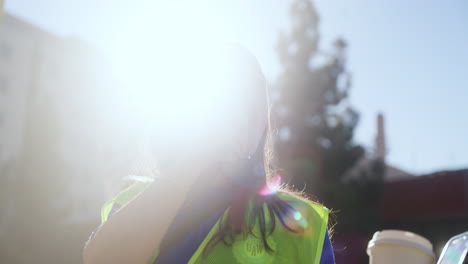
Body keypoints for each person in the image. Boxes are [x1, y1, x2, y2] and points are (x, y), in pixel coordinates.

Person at [83, 45, 335, 264]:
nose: (241, 115)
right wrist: (198, 155)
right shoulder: (140, 200)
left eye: (253, 98)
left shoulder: (302, 224)